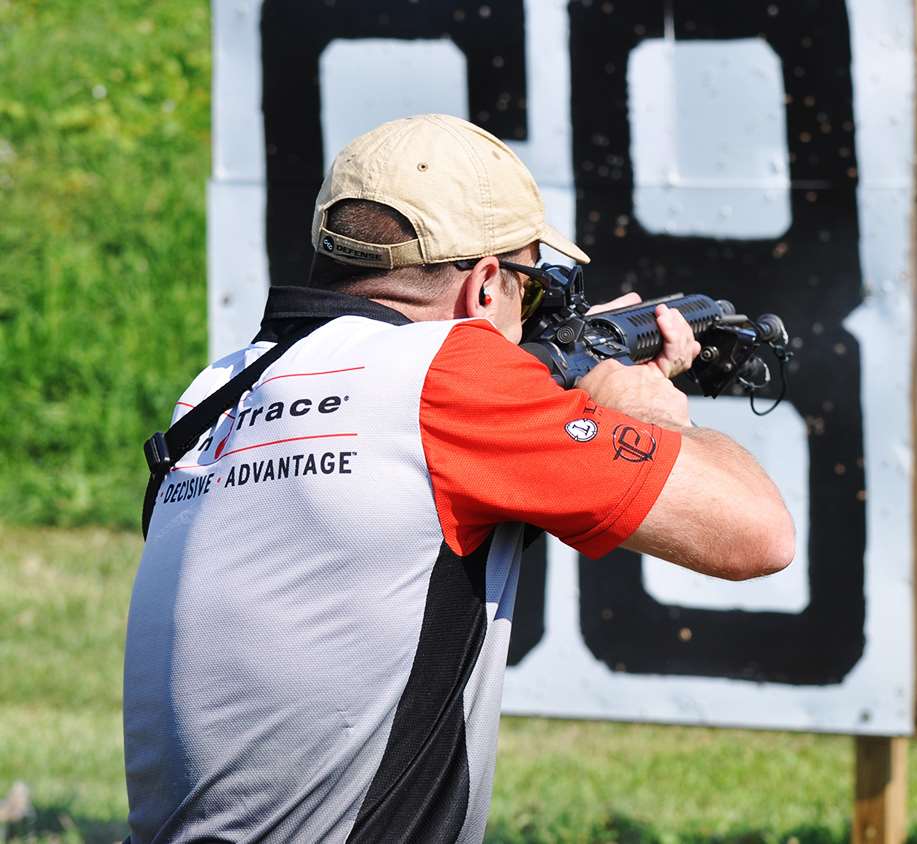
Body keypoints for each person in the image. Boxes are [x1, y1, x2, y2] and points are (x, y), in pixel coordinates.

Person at [123, 113, 795, 843]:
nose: (530, 321)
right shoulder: (447, 375)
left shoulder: (212, 394)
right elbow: (759, 535)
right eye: (529, 294)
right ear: (483, 288)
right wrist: (656, 415)